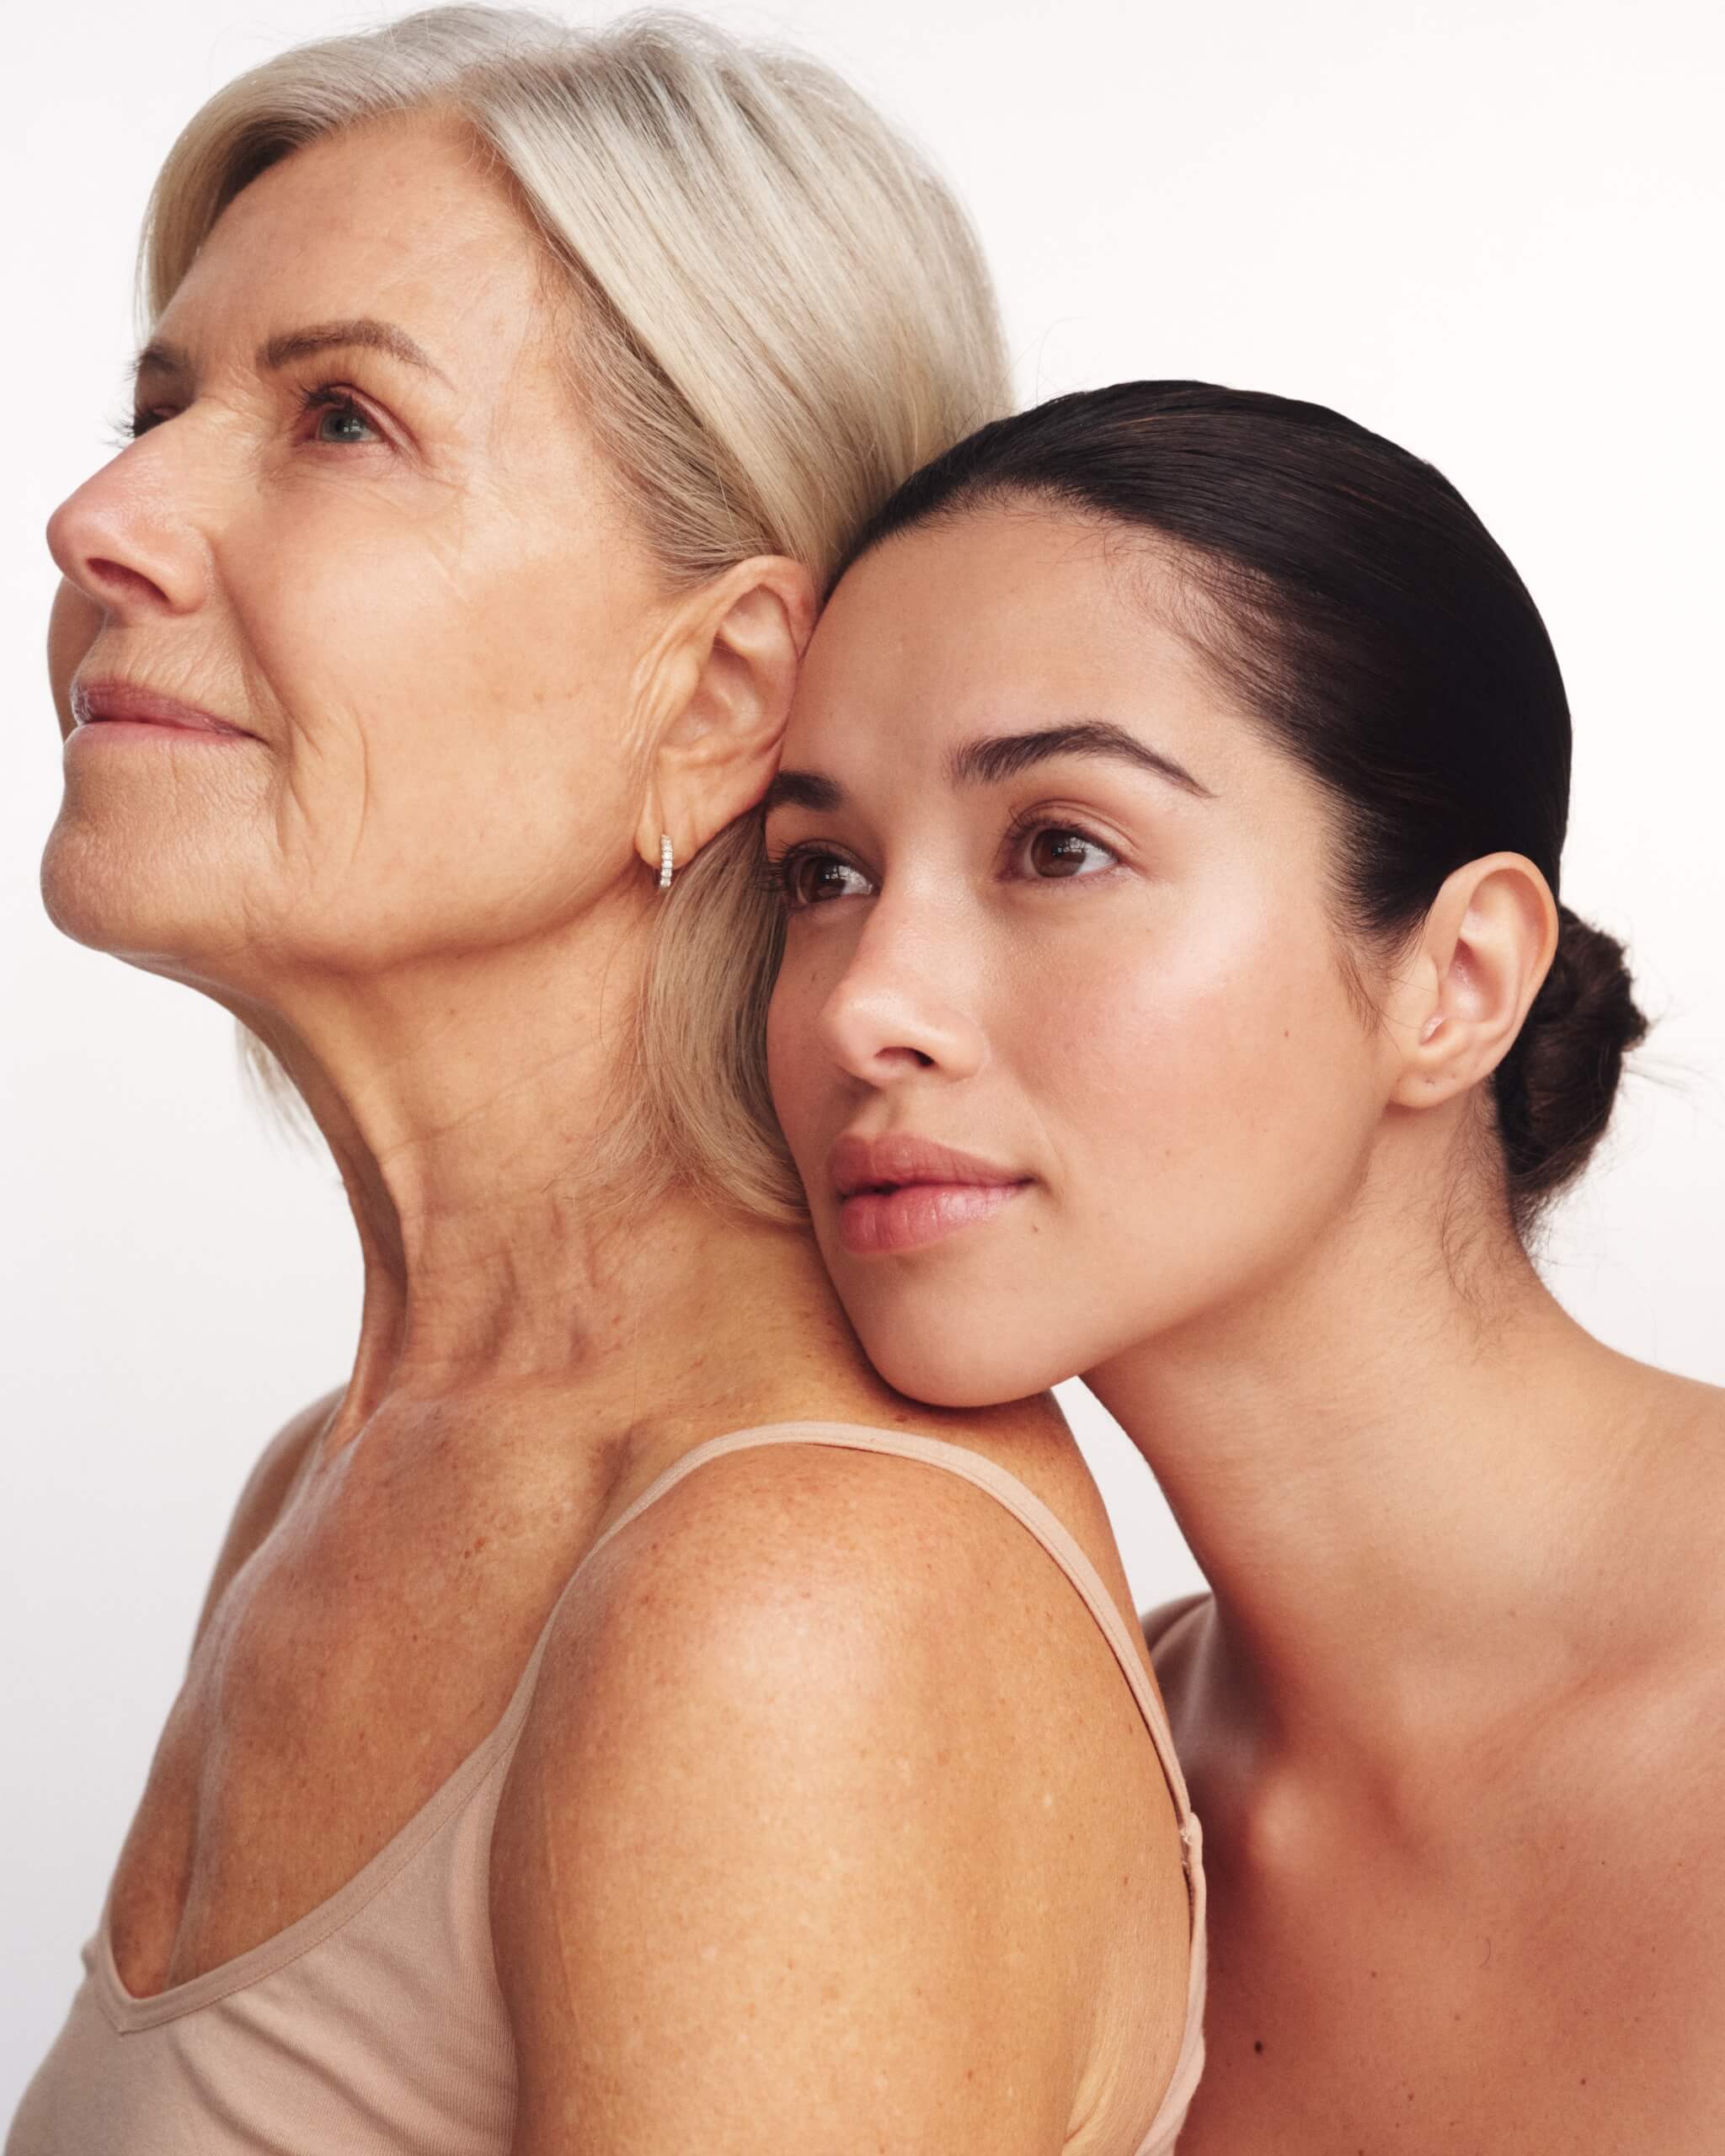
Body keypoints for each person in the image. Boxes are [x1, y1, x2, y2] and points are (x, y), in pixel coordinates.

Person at [9, 21, 1203, 2153]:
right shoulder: (328, 1481)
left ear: (719, 693)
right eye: (160, 406)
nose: (101, 519)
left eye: (342, 419)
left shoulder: (796, 1595)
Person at [757, 380, 1725, 2152]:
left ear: (1457, 979)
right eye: (821, 872)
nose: (864, 1005)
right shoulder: (1049, 1817)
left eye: (1060, 845)